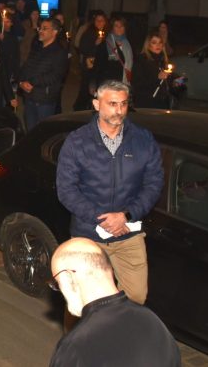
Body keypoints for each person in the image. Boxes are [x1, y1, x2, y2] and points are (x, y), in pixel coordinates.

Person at [56, 80, 164, 305]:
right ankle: (77, 340)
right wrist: (102, 218)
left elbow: (154, 183)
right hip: (89, 234)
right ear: (96, 104)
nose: (119, 110)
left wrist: (126, 214)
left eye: (123, 104)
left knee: (135, 298)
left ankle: (119, 339)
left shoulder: (143, 140)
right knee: (84, 302)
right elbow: (66, 190)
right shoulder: (77, 142)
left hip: (128, 232)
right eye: (112, 104)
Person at [48, 238, 180, 367]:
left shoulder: (75, 347)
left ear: (68, 277)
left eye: (57, 284)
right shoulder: (157, 325)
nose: (59, 291)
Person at [18, 17, 69, 130]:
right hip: (29, 97)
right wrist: (21, 82)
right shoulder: (37, 47)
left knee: (42, 132)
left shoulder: (59, 51)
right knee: (30, 131)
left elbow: (55, 75)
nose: (40, 30)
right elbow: (26, 66)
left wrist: (31, 82)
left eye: (45, 28)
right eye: (40, 28)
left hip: (44, 100)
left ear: (55, 32)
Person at [130, 34, 174, 109]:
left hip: (162, 102)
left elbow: (163, 83)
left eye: (160, 42)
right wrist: (157, 77)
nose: (158, 45)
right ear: (148, 45)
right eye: (154, 42)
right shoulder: (141, 60)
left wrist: (174, 82)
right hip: (146, 102)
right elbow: (137, 83)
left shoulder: (162, 60)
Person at [91, 15, 133, 87]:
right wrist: (95, 84)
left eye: (122, 26)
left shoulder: (128, 44)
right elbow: (98, 66)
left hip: (123, 81)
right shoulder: (105, 43)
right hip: (108, 82)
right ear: (112, 28)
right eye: (116, 26)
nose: (119, 28)